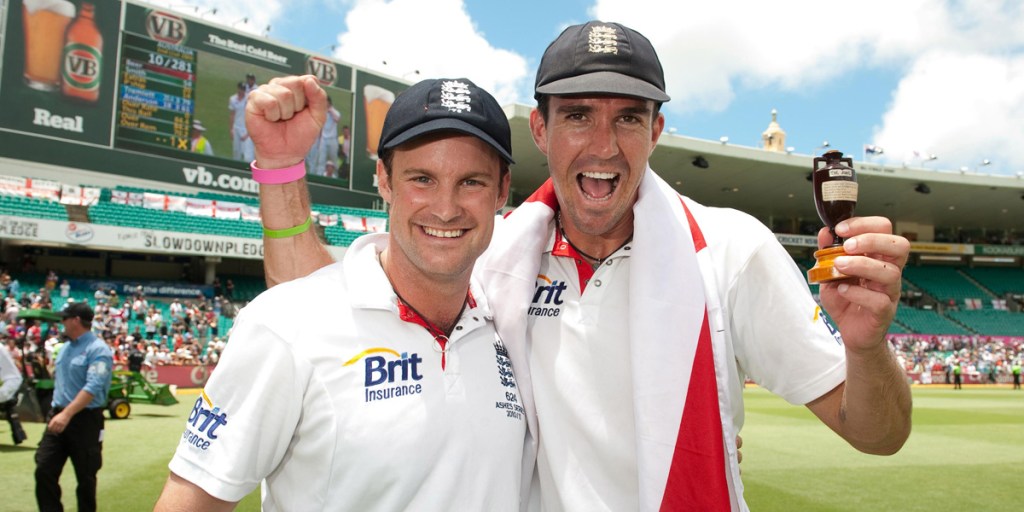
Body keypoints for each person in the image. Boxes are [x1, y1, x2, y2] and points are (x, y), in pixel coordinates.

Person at [256, 21, 912, 511]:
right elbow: (317, 313)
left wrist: (868, 349)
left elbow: (877, 434)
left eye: (628, 118)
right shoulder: (490, 255)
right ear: (539, 131)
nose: (603, 146)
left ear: (656, 132)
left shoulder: (729, 251)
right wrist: (283, 169)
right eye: (577, 116)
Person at [154, 76, 523, 511]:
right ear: (384, 180)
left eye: (472, 182)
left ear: (502, 190)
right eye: (422, 178)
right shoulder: (283, 324)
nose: (445, 208)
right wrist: (279, 164)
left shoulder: (512, 317)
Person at [35, 302, 113, 512]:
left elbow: (94, 386)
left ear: (76, 320)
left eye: (65, 318)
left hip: (85, 420)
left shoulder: (98, 350)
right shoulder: (66, 348)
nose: (62, 322)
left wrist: (67, 414)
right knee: (44, 468)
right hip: (59, 414)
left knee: (86, 477)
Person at [1, 341, 27, 445]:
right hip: (6, 383)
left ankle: (18, 434)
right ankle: (18, 434)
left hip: (9, 384)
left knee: (8, 408)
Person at [228, 82, 255, 162]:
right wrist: (231, 129)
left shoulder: (248, 99)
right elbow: (232, 114)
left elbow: (252, 116)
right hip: (236, 127)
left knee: (248, 154)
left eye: (243, 89)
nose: (241, 91)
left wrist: (248, 133)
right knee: (236, 151)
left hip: (246, 128)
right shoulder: (233, 99)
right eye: (240, 89)